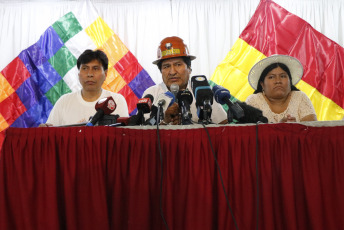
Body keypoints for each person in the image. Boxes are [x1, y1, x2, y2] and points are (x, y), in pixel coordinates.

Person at [143, 36, 227, 125]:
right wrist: (165, 121)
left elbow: (223, 124)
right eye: (166, 66)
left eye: (178, 64)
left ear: (189, 69)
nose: (172, 72)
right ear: (161, 71)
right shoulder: (151, 93)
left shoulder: (203, 91)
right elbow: (141, 130)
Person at [39, 49, 129, 126]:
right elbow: (50, 135)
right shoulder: (64, 102)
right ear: (78, 74)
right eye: (85, 68)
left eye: (95, 68)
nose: (90, 74)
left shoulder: (116, 101)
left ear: (105, 74)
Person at [245, 54, 317, 123]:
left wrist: (296, 127)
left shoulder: (300, 97)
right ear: (262, 84)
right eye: (271, 77)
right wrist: (280, 128)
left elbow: (312, 130)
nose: (278, 81)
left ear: (290, 81)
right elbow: (249, 133)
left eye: (283, 76)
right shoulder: (253, 100)